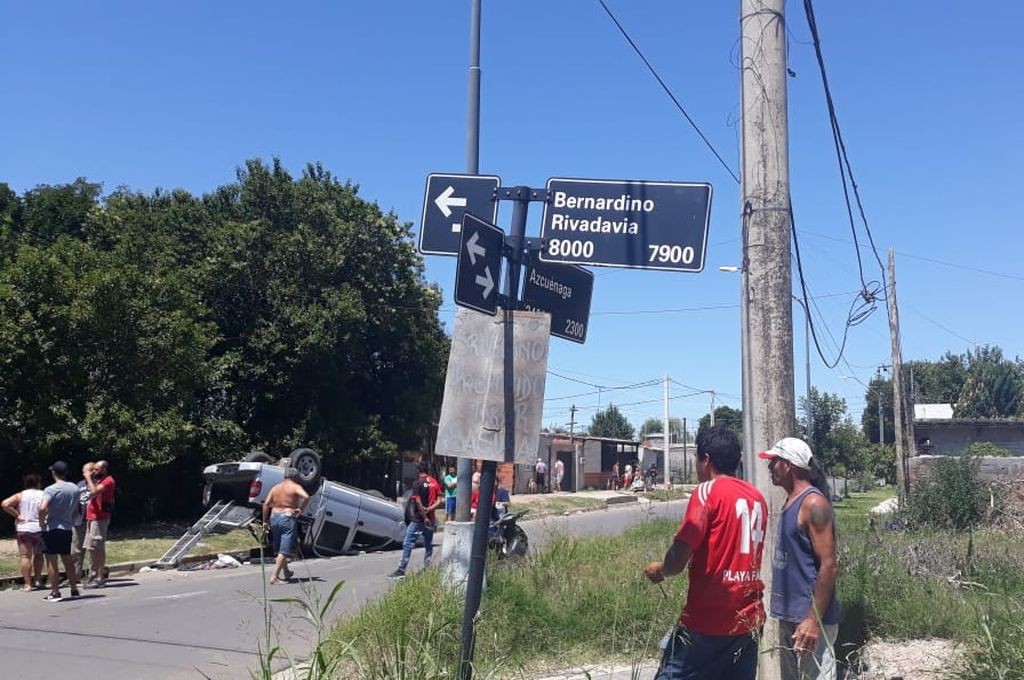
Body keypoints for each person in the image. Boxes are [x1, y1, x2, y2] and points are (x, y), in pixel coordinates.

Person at [644, 426, 767, 679]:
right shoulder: (757, 498)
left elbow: (678, 558)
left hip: (709, 620)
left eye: (697, 460)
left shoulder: (707, 491)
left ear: (706, 459)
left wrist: (661, 569)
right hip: (749, 620)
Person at [759, 437, 841, 680]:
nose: (770, 467)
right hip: (791, 617)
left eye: (774, 461)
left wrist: (813, 621)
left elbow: (829, 565)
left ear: (789, 465)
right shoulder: (791, 501)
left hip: (810, 621)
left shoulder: (812, 503)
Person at [389, 463, 442, 578]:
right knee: (428, 544)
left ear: (418, 471)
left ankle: (401, 569)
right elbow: (439, 500)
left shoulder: (417, 483)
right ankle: (427, 568)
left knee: (408, 543)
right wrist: (430, 510)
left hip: (419, 519)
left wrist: (424, 517)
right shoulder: (434, 482)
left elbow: (418, 502)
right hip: (431, 519)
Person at [37, 461, 81, 602]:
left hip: (52, 528)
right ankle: (74, 588)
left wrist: (41, 521)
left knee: (51, 560)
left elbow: (42, 507)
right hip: (67, 527)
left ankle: (55, 591)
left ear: (54, 473)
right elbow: (76, 509)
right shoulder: (74, 488)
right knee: (67, 559)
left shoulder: (51, 489)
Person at [261, 467, 309, 585]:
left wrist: (265, 521)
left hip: (274, 516)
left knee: (279, 547)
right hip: (287, 517)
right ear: (295, 477)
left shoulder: (275, 488)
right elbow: (306, 497)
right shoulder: (295, 487)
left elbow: (266, 504)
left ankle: (286, 572)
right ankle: (274, 576)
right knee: (285, 548)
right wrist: (300, 509)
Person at [2, 473, 46, 591]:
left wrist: (17, 515)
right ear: (38, 483)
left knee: (25, 556)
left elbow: (5, 504)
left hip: (24, 528)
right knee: (39, 555)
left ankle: (27, 584)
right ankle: (38, 580)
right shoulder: (43, 495)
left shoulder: (21, 495)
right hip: (39, 528)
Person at [83, 460, 116, 587]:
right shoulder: (98, 481)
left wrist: (88, 477)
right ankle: (93, 573)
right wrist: (90, 478)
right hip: (91, 517)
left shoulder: (108, 481)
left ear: (104, 469)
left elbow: (93, 492)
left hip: (100, 518)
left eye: (96, 469)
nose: (94, 472)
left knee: (98, 547)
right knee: (91, 547)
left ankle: (100, 576)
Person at [72, 463, 91, 579]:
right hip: (79, 521)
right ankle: (75, 575)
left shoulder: (98, 484)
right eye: (84, 471)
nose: (86, 473)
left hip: (93, 521)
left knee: (93, 549)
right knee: (76, 549)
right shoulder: (79, 485)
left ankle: (94, 575)